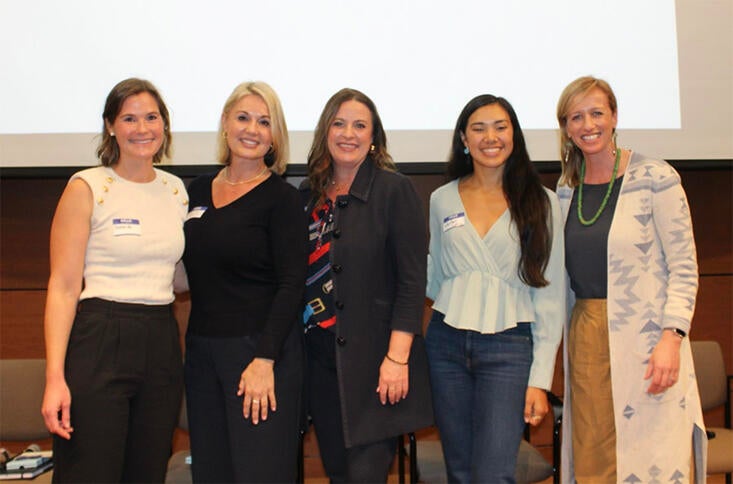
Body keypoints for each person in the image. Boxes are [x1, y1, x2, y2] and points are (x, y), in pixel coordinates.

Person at [556, 76, 706, 483]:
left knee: (652, 452)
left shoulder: (656, 177)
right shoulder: (566, 191)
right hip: (586, 337)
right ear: (566, 127)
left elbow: (685, 267)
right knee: (594, 454)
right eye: (576, 117)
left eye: (596, 113)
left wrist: (671, 337)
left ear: (615, 117)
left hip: (650, 338)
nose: (588, 124)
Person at [40, 78, 188, 483]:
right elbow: (64, 286)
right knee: (90, 471)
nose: (143, 128)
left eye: (152, 117)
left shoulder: (176, 191)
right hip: (99, 337)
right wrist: (55, 378)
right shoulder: (87, 186)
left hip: (160, 339)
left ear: (165, 125)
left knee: (147, 471)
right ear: (110, 126)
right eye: (129, 118)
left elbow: (175, 276)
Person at [425, 94, 565, 483]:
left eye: (501, 127)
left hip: (509, 348)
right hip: (445, 345)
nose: (491, 137)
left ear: (514, 136)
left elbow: (551, 297)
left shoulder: (542, 202)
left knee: (495, 474)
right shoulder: (441, 199)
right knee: (460, 471)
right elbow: (434, 279)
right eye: (479, 128)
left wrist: (539, 379)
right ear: (463, 140)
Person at [300, 88, 433, 483]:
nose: (348, 133)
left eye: (360, 125)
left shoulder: (394, 190)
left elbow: (412, 282)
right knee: (339, 473)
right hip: (320, 361)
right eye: (339, 123)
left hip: (377, 366)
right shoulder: (308, 196)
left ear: (374, 136)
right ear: (326, 131)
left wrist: (397, 359)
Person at [181, 81, 307, 483]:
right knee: (211, 472)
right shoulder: (195, 191)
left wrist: (264, 359)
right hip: (202, 355)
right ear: (224, 124)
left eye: (264, 121)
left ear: (274, 137)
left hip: (260, 355)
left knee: (260, 472)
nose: (252, 129)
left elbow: (292, 284)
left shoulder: (283, 200)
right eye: (243, 117)